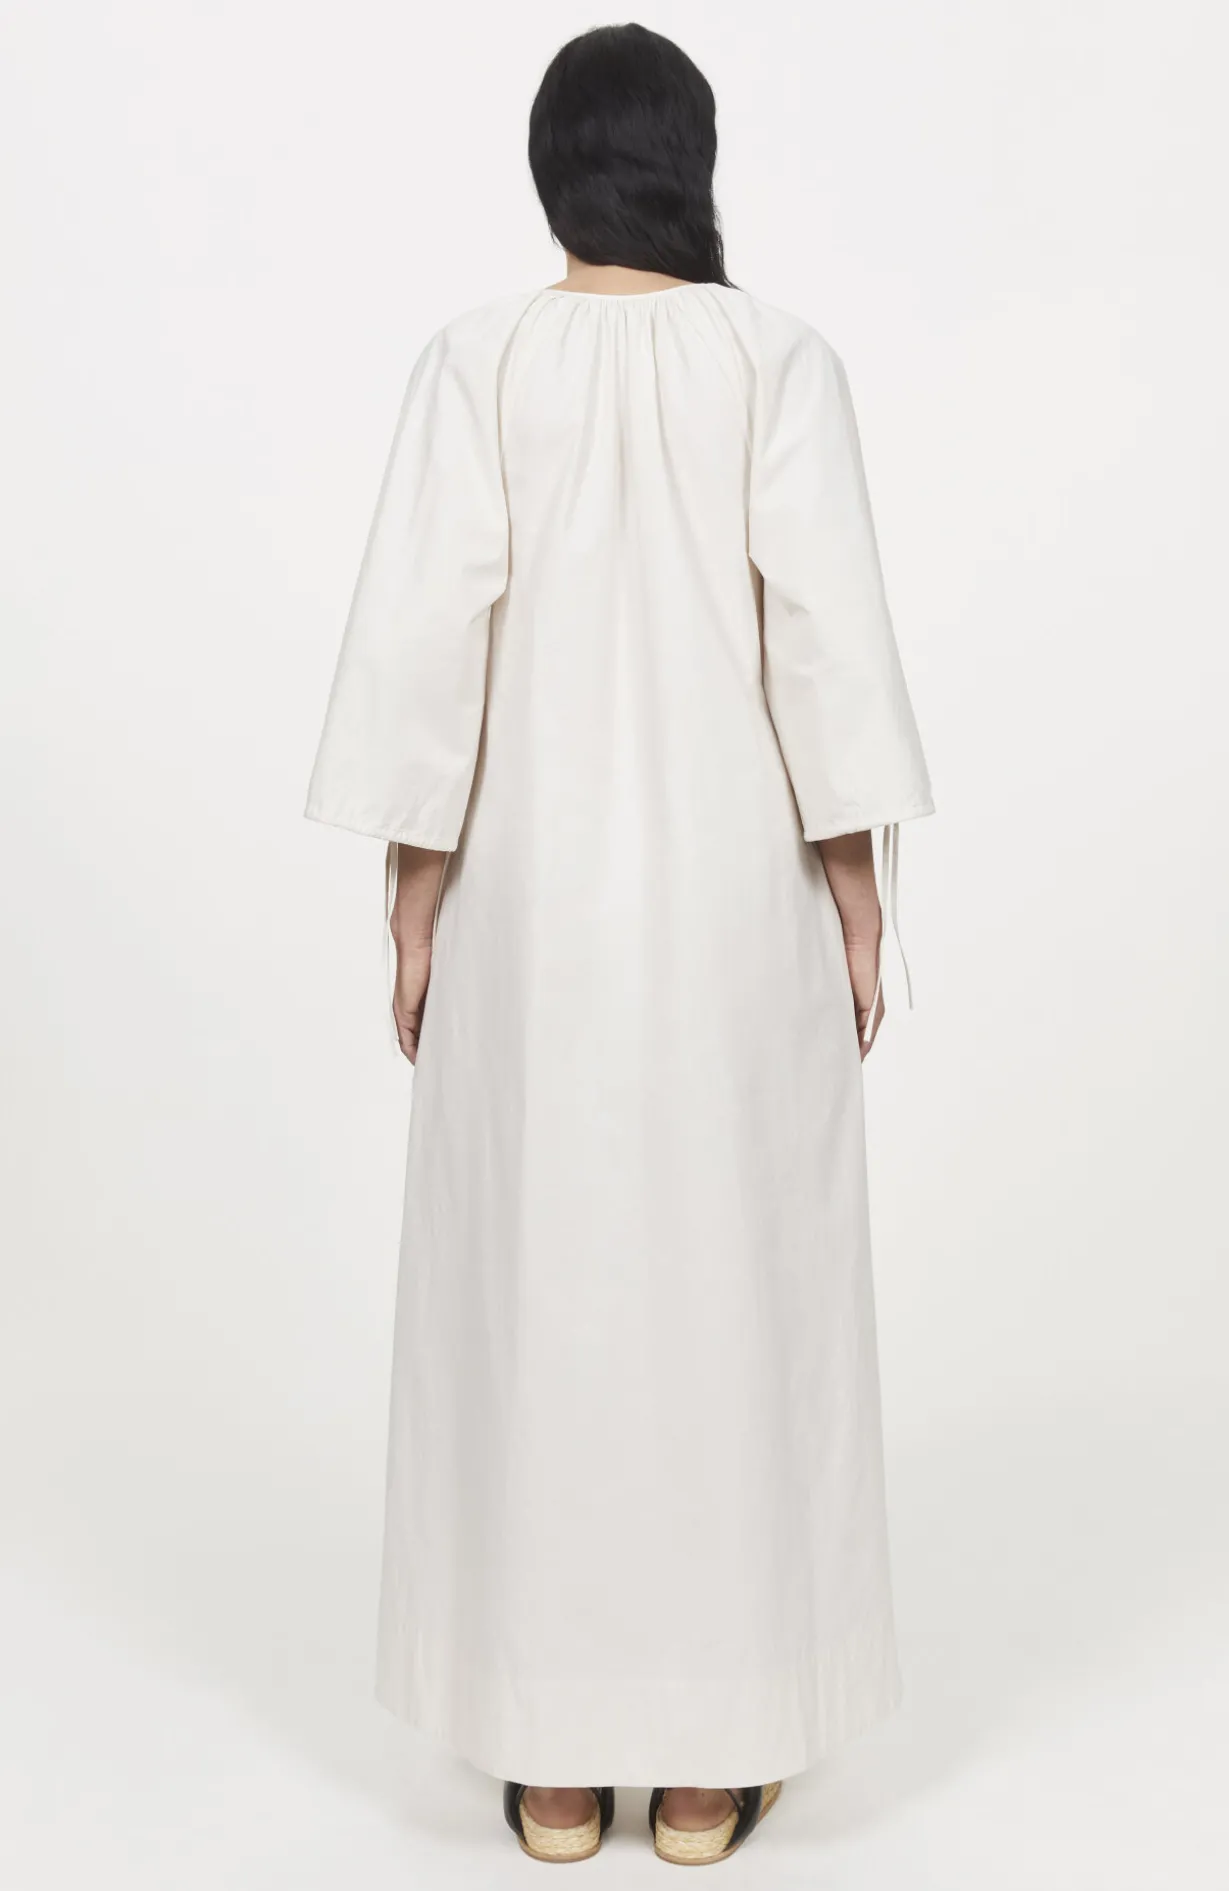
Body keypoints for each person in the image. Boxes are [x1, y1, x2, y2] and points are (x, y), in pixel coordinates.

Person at [305, 20, 934, 1868]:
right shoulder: (776, 361)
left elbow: (428, 647)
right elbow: (824, 645)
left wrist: (413, 906)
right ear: (691, 162)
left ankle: (559, 1760)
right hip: (736, 917)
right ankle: (716, 1765)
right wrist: (861, 902)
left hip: (530, 921)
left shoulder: (479, 363)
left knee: (539, 1311)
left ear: (553, 168)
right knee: (733, 1311)